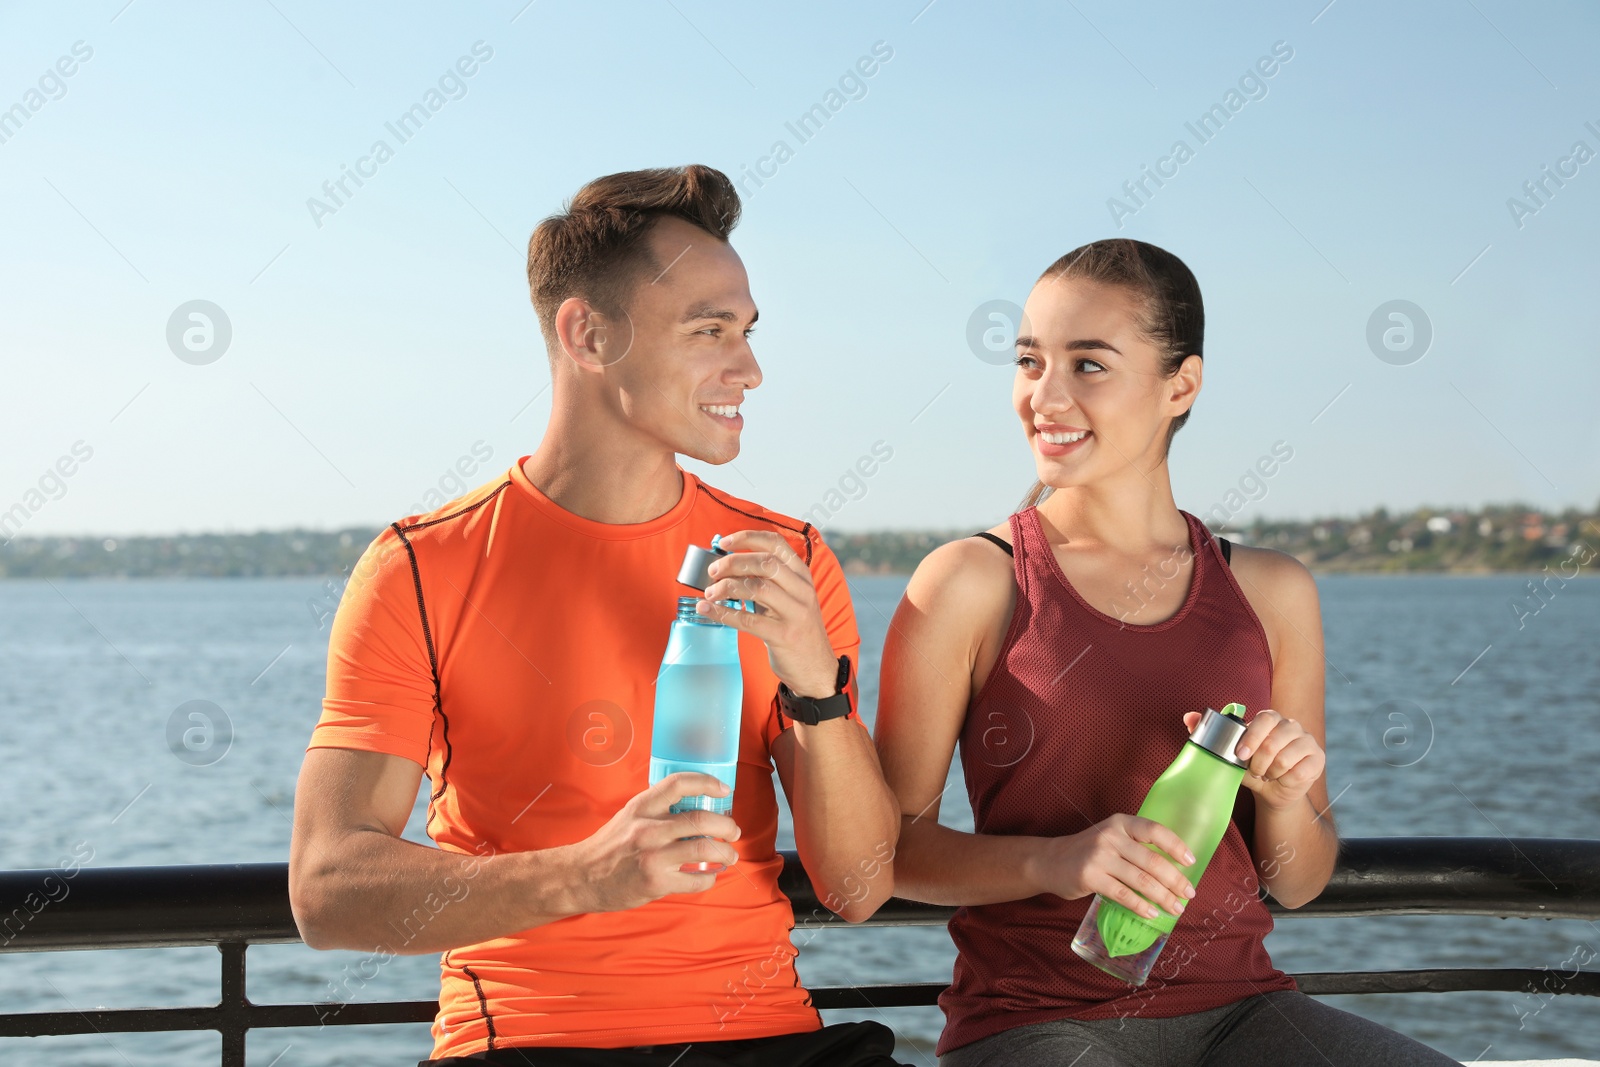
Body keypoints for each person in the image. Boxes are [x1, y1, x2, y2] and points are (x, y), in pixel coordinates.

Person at [288, 165, 907, 1066]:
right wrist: (587, 873)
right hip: (529, 1043)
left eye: (746, 331)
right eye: (709, 331)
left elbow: (858, 887)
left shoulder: (787, 559)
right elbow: (327, 886)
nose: (751, 368)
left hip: (768, 1038)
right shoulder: (421, 567)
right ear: (587, 333)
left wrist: (818, 689)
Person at [872, 239, 1459, 1065]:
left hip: (1240, 1012)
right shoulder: (971, 581)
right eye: (1030, 360)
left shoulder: (1271, 590)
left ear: (1179, 385)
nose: (1044, 395)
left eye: (1089, 365)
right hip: (1036, 1020)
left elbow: (1298, 877)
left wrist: (1285, 795)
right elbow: (887, 849)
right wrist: (1058, 860)